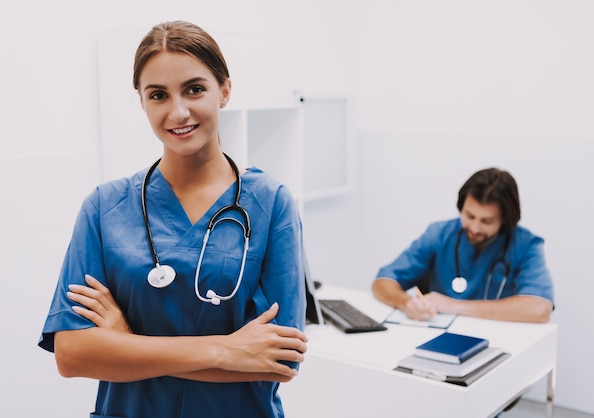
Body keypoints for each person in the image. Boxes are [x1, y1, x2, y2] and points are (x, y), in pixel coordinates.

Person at [38, 20, 308, 418]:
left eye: (194, 89)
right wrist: (227, 350)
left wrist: (127, 344)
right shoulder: (103, 207)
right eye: (159, 95)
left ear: (225, 91)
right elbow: (73, 355)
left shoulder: (271, 203)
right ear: (142, 102)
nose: (178, 111)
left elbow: (279, 360)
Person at [372, 167, 554, 324]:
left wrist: (455, 306)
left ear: (506, 220)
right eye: (469, 216)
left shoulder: (526, 245)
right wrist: (406, 303)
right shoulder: (439, 234)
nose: (474, 228)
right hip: (438, 337)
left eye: (487, 221)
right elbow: (383, 282)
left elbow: (540, 308)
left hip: (498, 340)